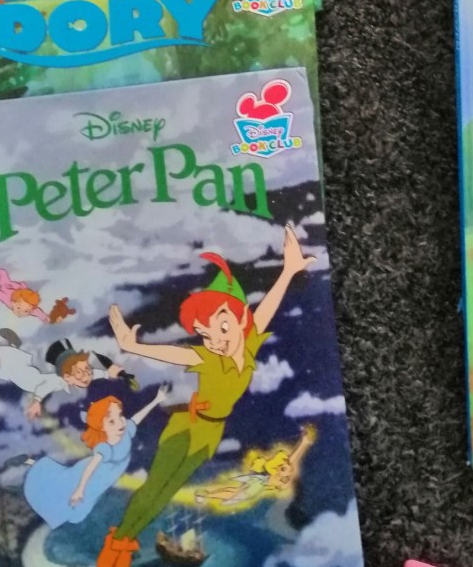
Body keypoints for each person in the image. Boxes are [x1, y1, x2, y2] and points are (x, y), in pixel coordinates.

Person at [95, 224, 314, 567]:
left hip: (210, 432)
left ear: (240, 320)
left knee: (166, 492)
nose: (216, 340)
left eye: (222, 327)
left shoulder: (248, 345)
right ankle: (117, 545)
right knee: (155, 488)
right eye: (207, 334)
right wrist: (133, 346)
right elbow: (176, 354)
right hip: (187, 427)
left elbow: (266, 308)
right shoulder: (208, 357)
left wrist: (288, 271)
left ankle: (124, 541)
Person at [23, 387, 168, 527]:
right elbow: (91, 467)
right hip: (91, 475)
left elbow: (137, 418)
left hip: (105, 478)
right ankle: (31, 463)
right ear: (103, 427)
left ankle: (33, 463)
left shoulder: (126, 431)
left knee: (79, 501)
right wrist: (80, 489)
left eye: (120, 416)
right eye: (112, 421)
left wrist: (157, 400)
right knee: (65, 489)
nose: (120, 422)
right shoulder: (105, 448)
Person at [0, 331, 124, 419]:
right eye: (79, 373)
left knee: (17, 362)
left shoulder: (78, 377)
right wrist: (37, 402)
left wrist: (107, 373)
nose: (86, 376)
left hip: (35, 374)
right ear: (67, 377)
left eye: (87, 369)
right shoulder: (57, 381)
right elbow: (43, 388)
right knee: (11, 368)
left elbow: (93, 374)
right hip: (30, 380)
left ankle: (8, 347)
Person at [195, 424, 316, 507]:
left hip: (259, 480)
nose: (288, 470)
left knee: (237, 494)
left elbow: (294, 458)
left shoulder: (283, 473)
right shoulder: (274, 473)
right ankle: (206, 494)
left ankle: (207, 494)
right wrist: (304, 442)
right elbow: (292, 459)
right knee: (236, 494)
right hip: (259, 479)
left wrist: (304, 442)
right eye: (284, 468)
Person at [0, 267, 75, 324]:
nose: (20, 312)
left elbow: (38, 312)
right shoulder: (7, 299)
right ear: (14, 302)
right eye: (18, 307)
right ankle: (2, 272)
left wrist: (45, 318)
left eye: (26, 311)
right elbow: (0, 295)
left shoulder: (31, 309)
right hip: (7, 287)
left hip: (18, 291)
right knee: (3, 280)